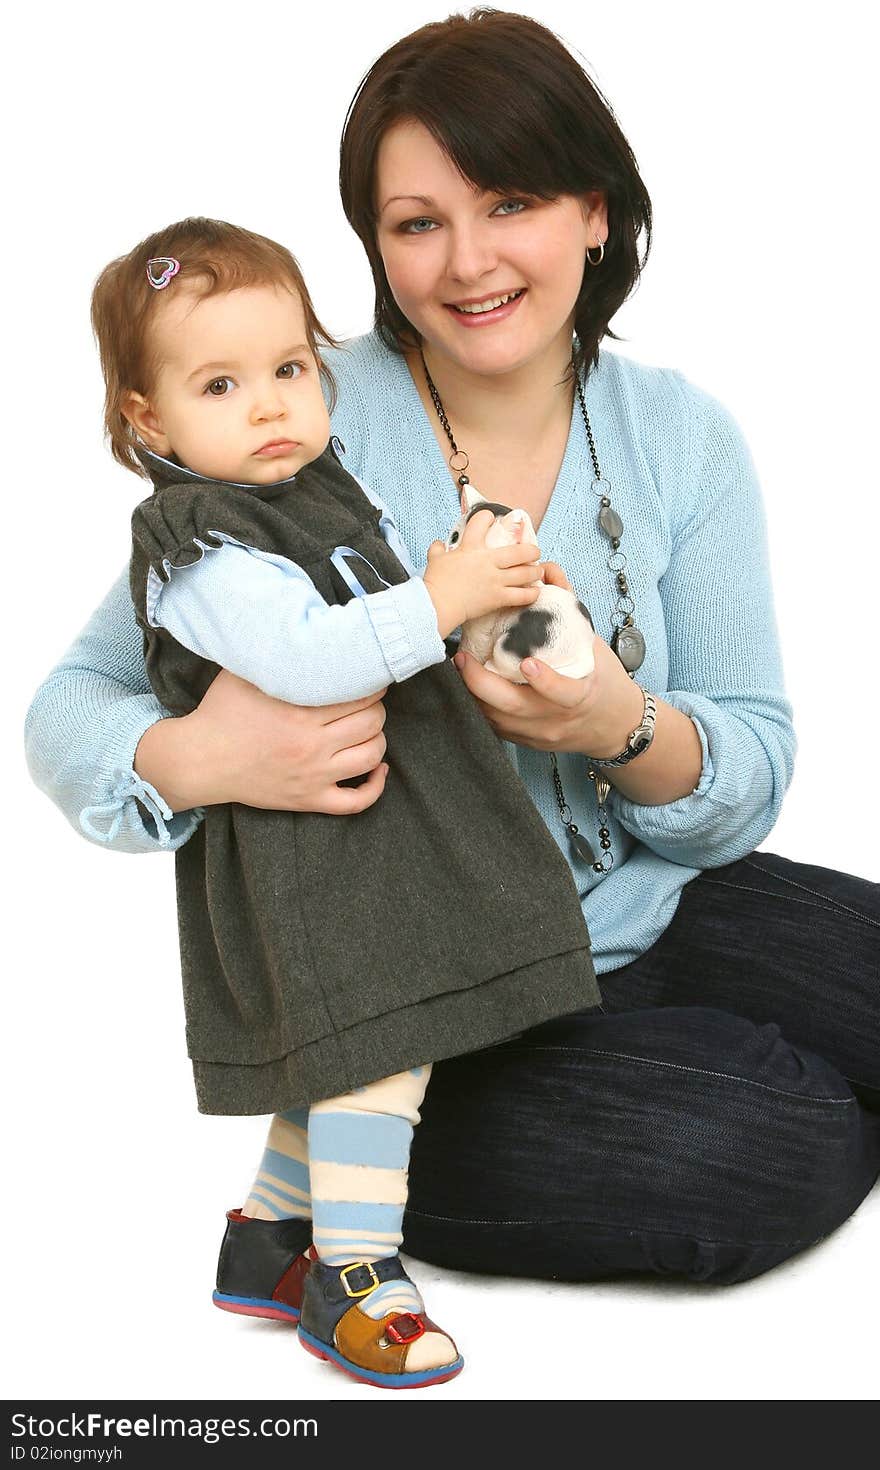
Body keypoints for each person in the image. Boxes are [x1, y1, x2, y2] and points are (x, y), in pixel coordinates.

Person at [25, 5, 879, 1337]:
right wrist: (209, 751)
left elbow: (753, 763)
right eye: (417, 220)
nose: (467, 262)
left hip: (648, 909)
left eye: (513, 201)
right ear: (372, 240)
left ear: (595, 213)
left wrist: (613, 715)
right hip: (434, 984)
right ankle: (349, 1190)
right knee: (789, 1137)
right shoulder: (293, 414)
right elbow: (73, 705)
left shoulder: (680, 434)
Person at [84, 214, 602, 1388]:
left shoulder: (318, 485)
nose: (270, 406)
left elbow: (376, 606)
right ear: (149, 422)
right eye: (221, 384)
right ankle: (354, 1273)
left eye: (289, 370)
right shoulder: (195, 544)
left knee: (363, 1046)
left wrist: (476, 586)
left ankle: (267, 1239)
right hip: (313, 862)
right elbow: (314, 656)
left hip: (388, 839)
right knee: (380, 1050)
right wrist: (438, 595)